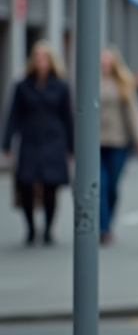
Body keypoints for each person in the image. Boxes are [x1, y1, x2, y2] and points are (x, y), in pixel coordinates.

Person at [2, 41, 73, 245]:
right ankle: (31, 228)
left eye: (44, 58)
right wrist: (6, 144)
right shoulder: (22, 85)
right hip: (30, 140)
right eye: (37, 58)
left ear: (51, 61)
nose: (40, 62)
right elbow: (13, 115)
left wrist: (71, 147)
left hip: (53, 140)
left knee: (51, 186)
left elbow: (67, 117)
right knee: (25, 184)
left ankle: (48, 230)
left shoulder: (61, 86)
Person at [99, 46, 138, 245]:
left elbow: (134, 111)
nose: (105, 64)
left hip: (119, 141)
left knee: (112, 186)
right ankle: (102, 228)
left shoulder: (124, 82)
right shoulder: (90, 80)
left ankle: (108, 222)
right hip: (96, 142)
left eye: (108, 60)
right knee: (99, 185)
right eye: (102, 60)